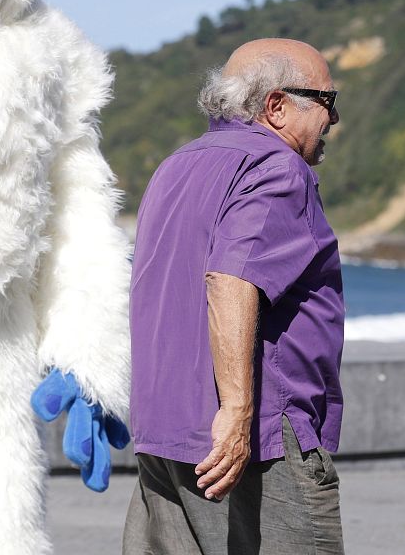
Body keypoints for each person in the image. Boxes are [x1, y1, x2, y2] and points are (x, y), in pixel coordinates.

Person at [123, 38, 345, 555]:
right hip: (254, 439)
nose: (333, 119)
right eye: (327, 101)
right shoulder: (278, 169)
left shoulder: (177, 165)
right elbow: (230, 279)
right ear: (276, 105)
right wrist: (238, 411)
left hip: (166, 429)